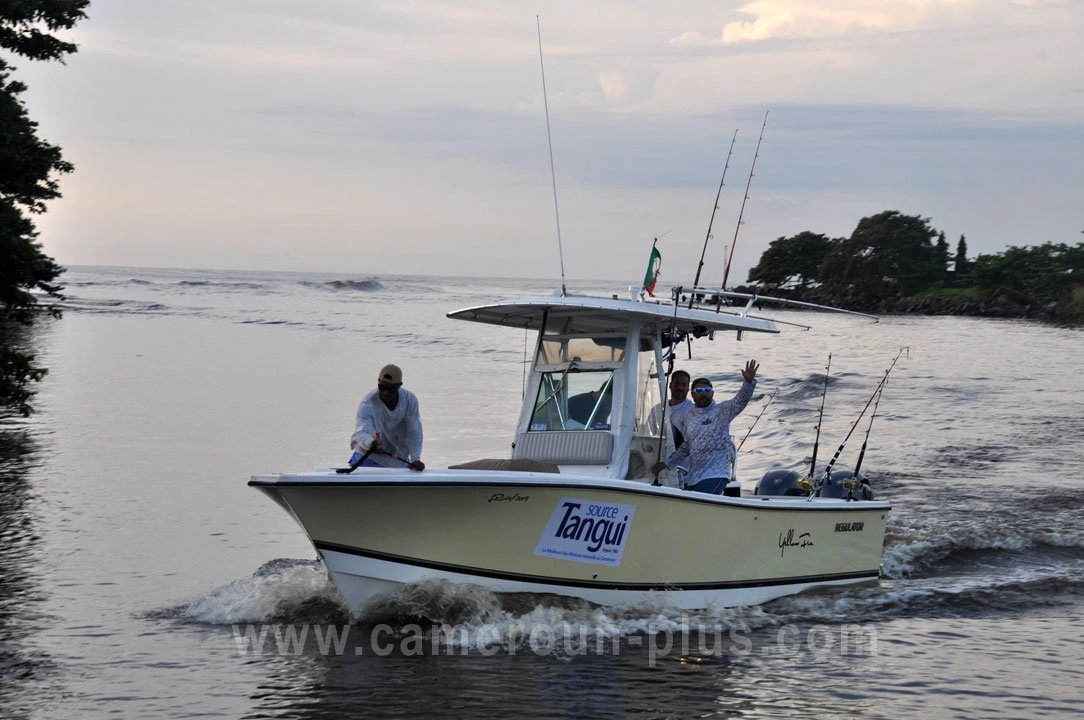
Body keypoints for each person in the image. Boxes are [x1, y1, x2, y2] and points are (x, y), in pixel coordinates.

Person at [651, 360, 759, 494]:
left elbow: (741, 400)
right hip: (694, 477)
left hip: (716, 474)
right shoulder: (689, 416)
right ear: (693, 394)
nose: (703, 393)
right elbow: (686, 447)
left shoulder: (722, 410)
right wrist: (666, 464)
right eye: (699, 390)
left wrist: (748, 383)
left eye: (707, 390)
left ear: (712, 393)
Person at [349, 363, 425, 471]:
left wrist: (415, 459)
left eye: (391, 389)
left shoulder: (410, 400)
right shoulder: (367, 404)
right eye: (382, 387)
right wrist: (371, 443)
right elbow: (361, 433)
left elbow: (414, 432)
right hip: (367, 457)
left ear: (399, 385)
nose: (385, 392)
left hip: (398, 460)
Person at [648, 369, 693, 446]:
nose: (680, 388)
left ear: (688, 388)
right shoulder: (656, 409)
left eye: (684, 385)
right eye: (677, 384)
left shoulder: (692, 410)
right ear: (670, 385)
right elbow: (648, 435)